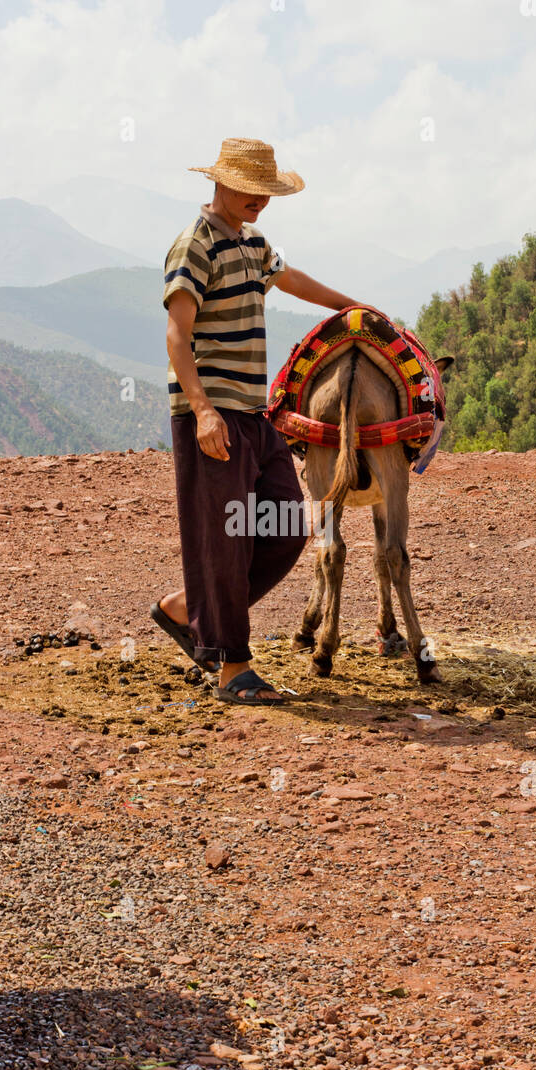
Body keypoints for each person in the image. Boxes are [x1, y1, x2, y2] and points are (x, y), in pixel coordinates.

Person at [151, 136, 360, 704]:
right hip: (213, 414)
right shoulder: (194, 245)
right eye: (252, 190)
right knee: (227, 540)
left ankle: (186, 611)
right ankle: (232, 671)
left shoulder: (251, 241)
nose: (261, 201)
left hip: (253, 413)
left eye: (268, 193)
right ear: (220, 182)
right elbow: (177, 334)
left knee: (287, 525)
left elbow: (290, 280)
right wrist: (201, 412)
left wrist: (350, 309)